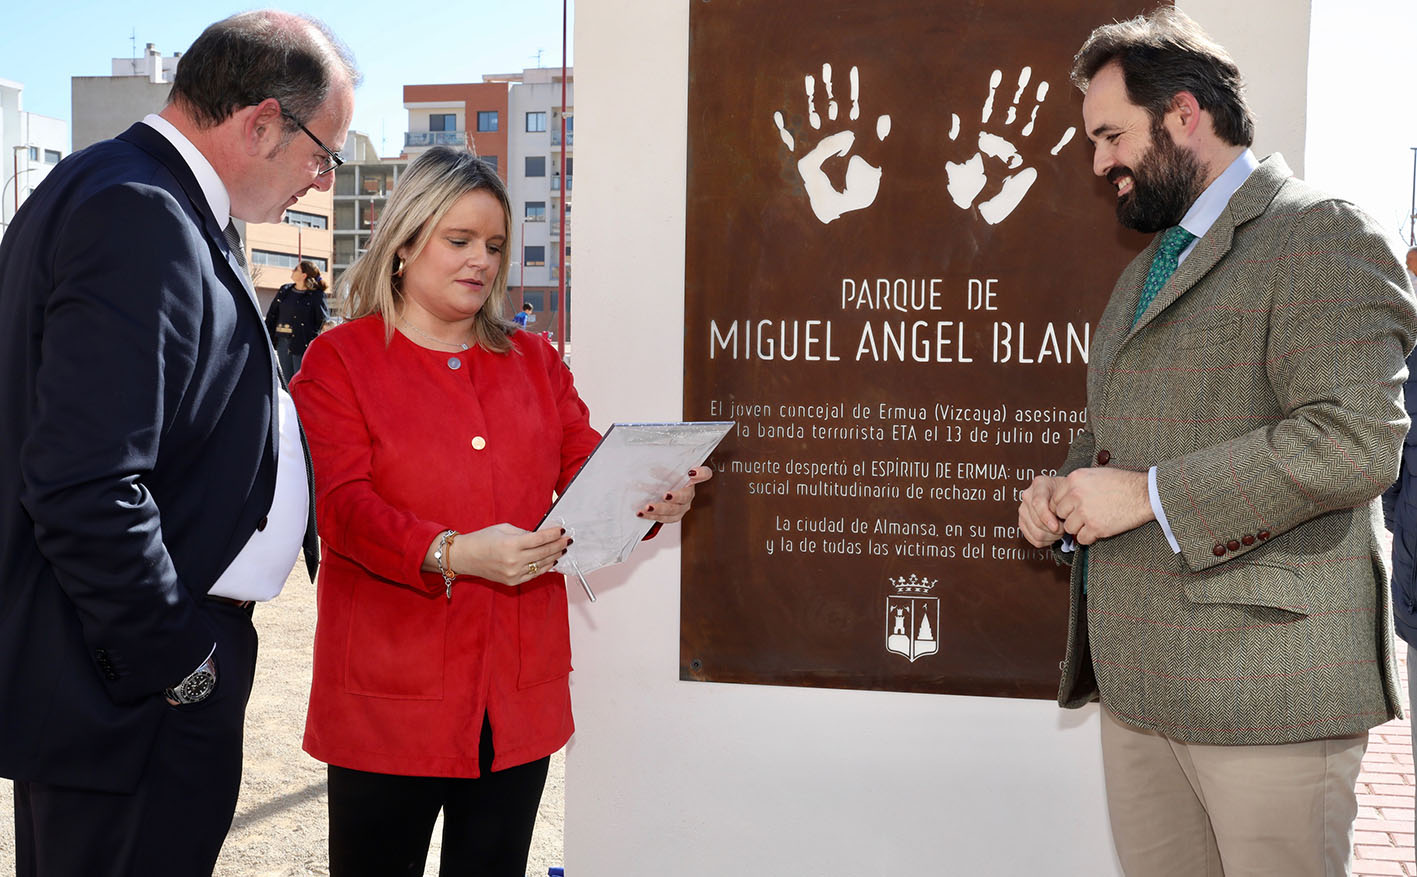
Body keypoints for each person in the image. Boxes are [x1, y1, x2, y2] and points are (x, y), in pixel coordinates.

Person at [1016, 8, 1417, 875]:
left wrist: (1150, 494)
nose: (1097, 164)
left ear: (1184, 115)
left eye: (1110, 135)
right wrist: (1063, 488)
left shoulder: (1324, 232)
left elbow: (1352, 440)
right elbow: (1110, 440)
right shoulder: (1140, 274)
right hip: (1140, 691)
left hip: (1267, 697)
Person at [289, 146, 712, 877]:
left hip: (514, 698)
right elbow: (342, 509)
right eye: (459, 241)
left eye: (492, 245)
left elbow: (587, 470)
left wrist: (652, 495)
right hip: (388, 699)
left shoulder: (535, 358)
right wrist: (450, 552)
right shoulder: (339, 362)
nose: (480, 260)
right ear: (404, 242)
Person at [0, 11, 356, 876]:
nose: (316, 184)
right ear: (261, 121)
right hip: (129, 696)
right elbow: (85, 482)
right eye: (322, 155)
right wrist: (182, 665)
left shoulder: (132, 193)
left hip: (115, 683)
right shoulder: (140, 210)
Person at [265, 259, 331, 376]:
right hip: (282, 342)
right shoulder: (284, 290)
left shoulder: (317, 296)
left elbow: (322, 321)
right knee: (287, 380)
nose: (292, 270)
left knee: (300, 379)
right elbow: (272, 314)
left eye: (296, 269)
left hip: (302, 343)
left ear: (304, 275)